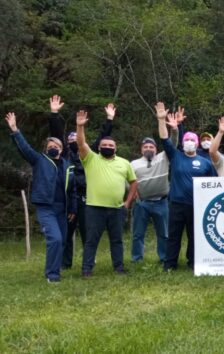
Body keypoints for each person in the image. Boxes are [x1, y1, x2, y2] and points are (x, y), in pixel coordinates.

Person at [5, 112, 76, 283]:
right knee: (55, 239)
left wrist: (73, 208)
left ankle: (55, 267)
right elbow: (25, 148)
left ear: (61, 149)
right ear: (46, 149)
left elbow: (72, 190)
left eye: (57, 145)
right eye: (50, 145)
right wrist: (15, 130)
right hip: (46, 207)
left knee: (63, 240)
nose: (54, 147)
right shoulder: (39, 160)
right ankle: (52, 276)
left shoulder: (68, 166)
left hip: (63, 208)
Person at [47, 95, 114, 269]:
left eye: (75, 139)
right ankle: (64, 263)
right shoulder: (64, 155)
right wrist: (54, 114)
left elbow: (103, 138)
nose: (73, 142)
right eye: (70, 140)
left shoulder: (88, 154)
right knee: (66, 232)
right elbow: (55, 135)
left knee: (88, 232)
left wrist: (109, 119)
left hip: (86, 199)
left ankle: (89, 260)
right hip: (69, 199)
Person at [76, 106, 138, 277]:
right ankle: (86, 269)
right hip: (94, 208)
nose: (107, 147)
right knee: (91, 240)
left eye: (111, 145)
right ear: (99, 147)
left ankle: (119, 268)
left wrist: (127, 202)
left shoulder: (124, 163)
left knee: (117, 240)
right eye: (104, 145)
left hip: (117, 208)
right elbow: (81, 143)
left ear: (115, 148)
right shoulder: (91, 159)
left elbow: (133, 182)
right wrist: (80, 126)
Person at [155, 102, 217, 271]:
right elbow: (164, 139)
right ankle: (170, 264)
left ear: (197, 144)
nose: (189, 142)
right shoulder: (175, 156)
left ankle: (194, 262)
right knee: (173, 236)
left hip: (197, 206)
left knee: (195, 236)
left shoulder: (205, 163)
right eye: (187, 140)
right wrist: (161, 120)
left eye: (192, 140)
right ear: (183, 143)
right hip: (176, 204)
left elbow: (214, 184)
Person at [125, 121, 178, 263]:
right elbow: (127, 182)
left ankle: (164, 258)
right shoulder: (133, 164)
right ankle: (137, 259)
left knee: (164, 234)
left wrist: (174, 129)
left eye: (151, 146)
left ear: (156, 149)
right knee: (138, 234)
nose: (149, 148)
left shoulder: (164, 157)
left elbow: (172, 142)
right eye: (146, 147)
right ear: (141, 149)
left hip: (161, 202)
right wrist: (132, 193)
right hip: (141, 203)